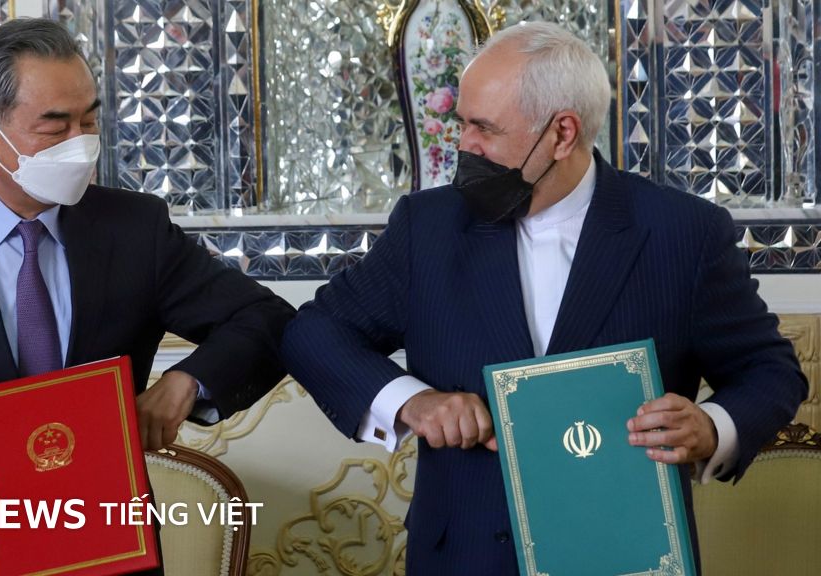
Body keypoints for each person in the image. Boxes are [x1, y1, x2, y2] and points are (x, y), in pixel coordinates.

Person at [281, 21, 807, 574]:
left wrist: (712, 426)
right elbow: (313, 332)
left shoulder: (684, 233)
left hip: (627, 556)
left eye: (484, 128)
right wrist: (413, 401)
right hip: (465, 556)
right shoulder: (427, 227)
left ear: (562, 134)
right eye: (462, 123)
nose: (463, 145)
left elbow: (770, 371)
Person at [0, 18, 294, 575]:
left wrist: (186, 382)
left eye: (89, 120)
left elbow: (265, 317)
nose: (81, 144)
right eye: (55, 125)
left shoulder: (135, 229)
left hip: (113, 551)